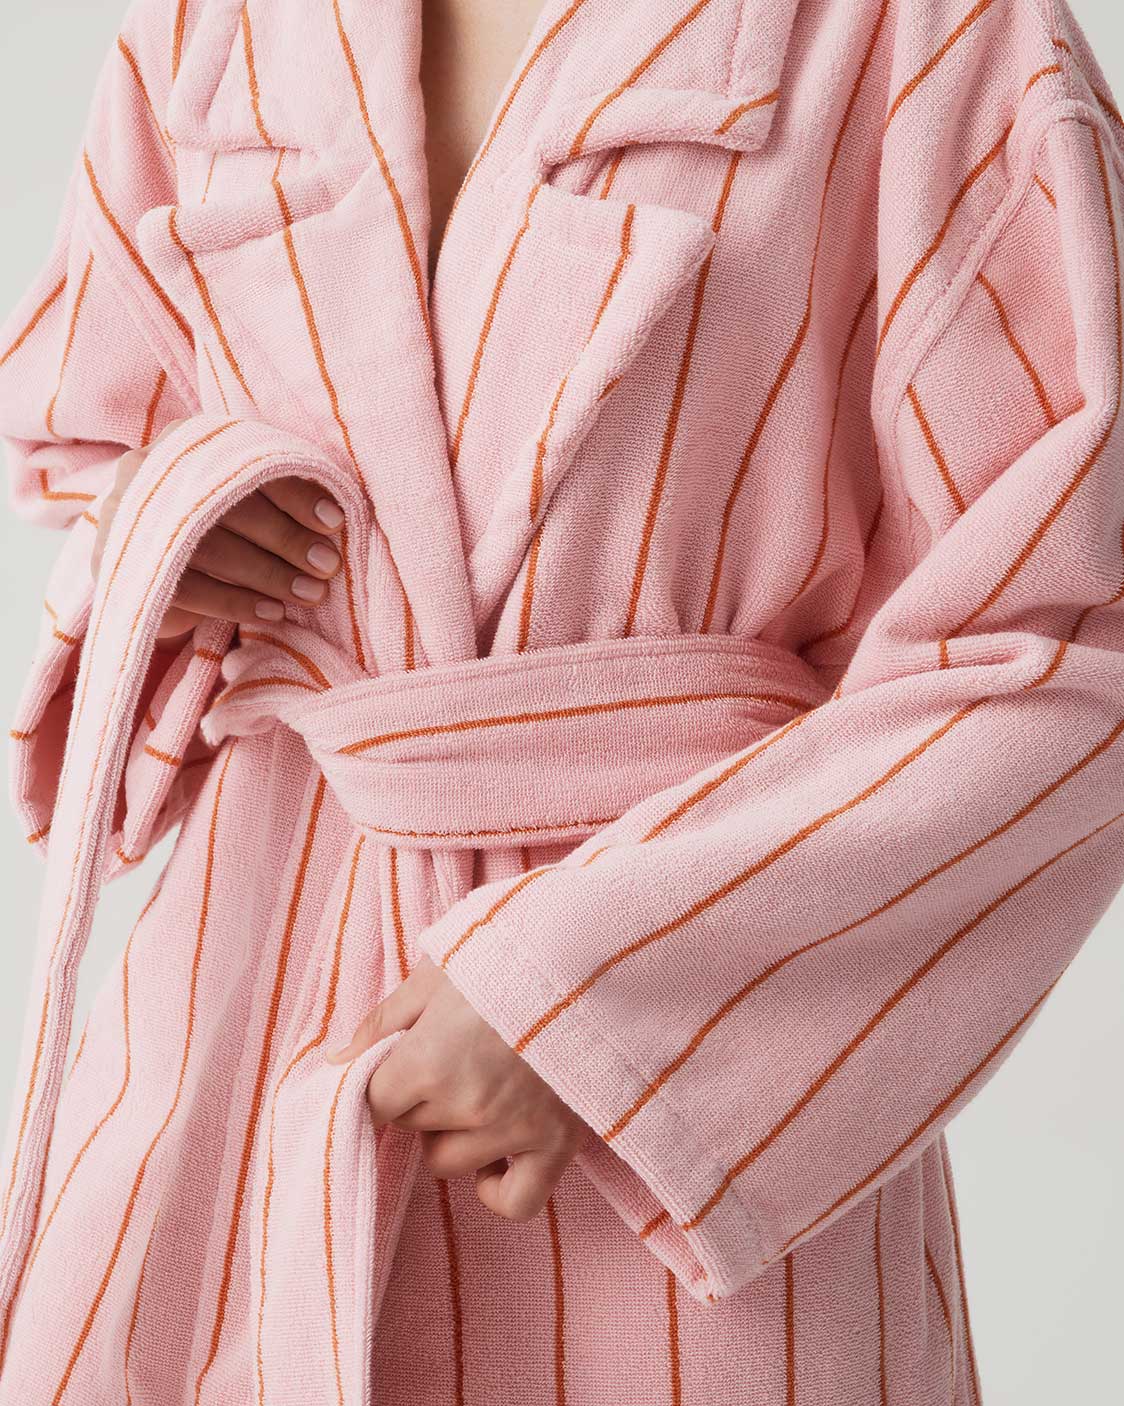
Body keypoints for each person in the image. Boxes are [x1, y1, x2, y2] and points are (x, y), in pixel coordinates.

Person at [0, 0, 1121, 1401]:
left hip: (670, 1125)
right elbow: (82, 416)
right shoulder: (217, 24)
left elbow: (1068, 637)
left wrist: (600, 998)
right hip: (234, 1009)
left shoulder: (931, 32)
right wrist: (163, 513)